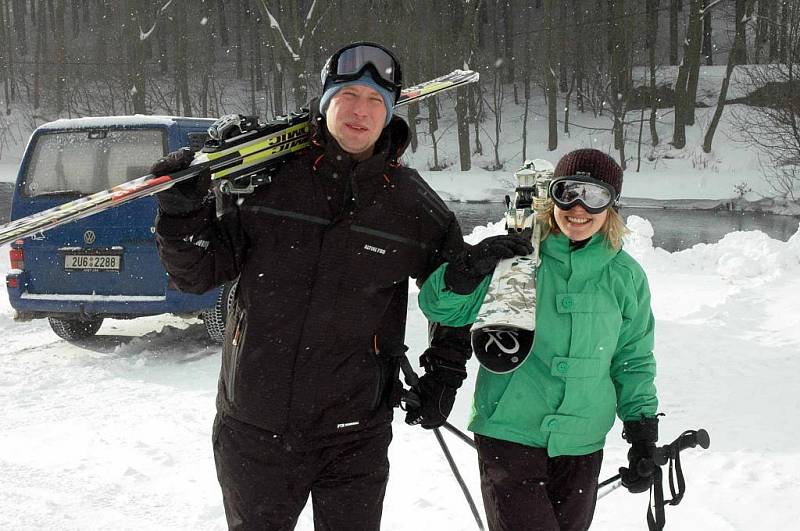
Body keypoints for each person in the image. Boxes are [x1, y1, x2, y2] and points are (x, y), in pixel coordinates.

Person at [151, 42, 473, 530]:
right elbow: (196, 274)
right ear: (326, 102)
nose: (360, 112)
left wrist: (442, 377)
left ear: (389, 114)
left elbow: (454, 297)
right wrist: (181, 213)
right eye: (349, 97)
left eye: (374, 101)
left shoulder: (413, 207)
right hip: (253, 428)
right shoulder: (270, 182)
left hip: (355, 436)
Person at [417, 149, 660, 531]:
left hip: (582, 441)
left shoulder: (625, 276)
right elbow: (440, 308)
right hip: (509, 432)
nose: (578, 207)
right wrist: (467, 269)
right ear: (552, 197)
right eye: (568, 192)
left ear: (612, 204)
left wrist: (642, 435)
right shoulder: (516, 260)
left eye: (594, 196)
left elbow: (632, 359)